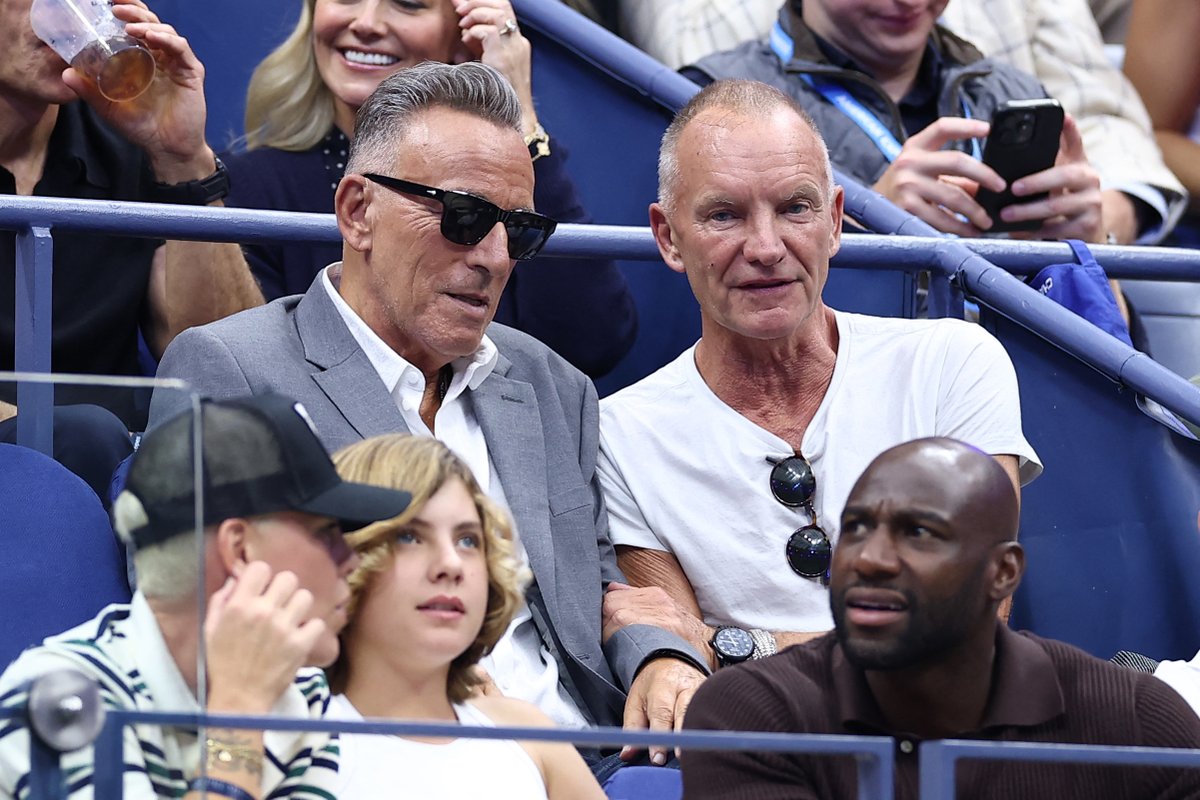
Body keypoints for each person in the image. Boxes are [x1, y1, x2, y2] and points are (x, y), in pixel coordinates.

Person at [151, 61, 708, 774]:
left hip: (591, 756)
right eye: (464, 218)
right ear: (358, 211)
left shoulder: (551, 385)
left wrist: (660, 658)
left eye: (519, 230)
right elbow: (201, 634)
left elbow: (598, 597)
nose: (495, 258)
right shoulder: (232, 370)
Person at [597, 80, 1040, 673]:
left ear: (834, 222)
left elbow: (967, 631)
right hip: (755, 731)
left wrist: (741, 644)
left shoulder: (951, 363)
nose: (766, 247)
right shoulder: (619, 435)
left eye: (794, 208)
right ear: (668, 238)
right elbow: (682, 668)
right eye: (724, 215)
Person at [680, 437, 1200, 798]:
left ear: (1002, 572)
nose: (869, 559)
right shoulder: (751, 714)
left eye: (919, 533)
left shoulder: (1136, 720)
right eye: (856, 529)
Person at [0, 394, 413, 798]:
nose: (351, 562)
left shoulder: (298, 690)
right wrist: (241, 711)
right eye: (327, 535)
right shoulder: (55, 695)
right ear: (240, 550)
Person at [222, 0, 636, 377]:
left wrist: (520, 118)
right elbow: (242, 379)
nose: (366, 23)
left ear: (462, 36)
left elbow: (592, 341)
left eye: (408, 4)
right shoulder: (249, 186)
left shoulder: (517, 185)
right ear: (354, 208)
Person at [620, 0, 1182, 245]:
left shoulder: (1013, 91)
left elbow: (1113, 341)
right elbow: (690, 309)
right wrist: (863, 230)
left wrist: (1088, 244)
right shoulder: (709, 103)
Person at [0, 0, 262, 430]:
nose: (63, 8)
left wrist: (183, 161)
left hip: (116, 461)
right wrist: (46, 435)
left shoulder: (126, 143)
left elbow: (228, 379)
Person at [327, 433, 605, 798]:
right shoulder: (286, 739)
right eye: (410, 537)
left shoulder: (528, 734)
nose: (452, 563)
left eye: (468, 540)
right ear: (340, 556)